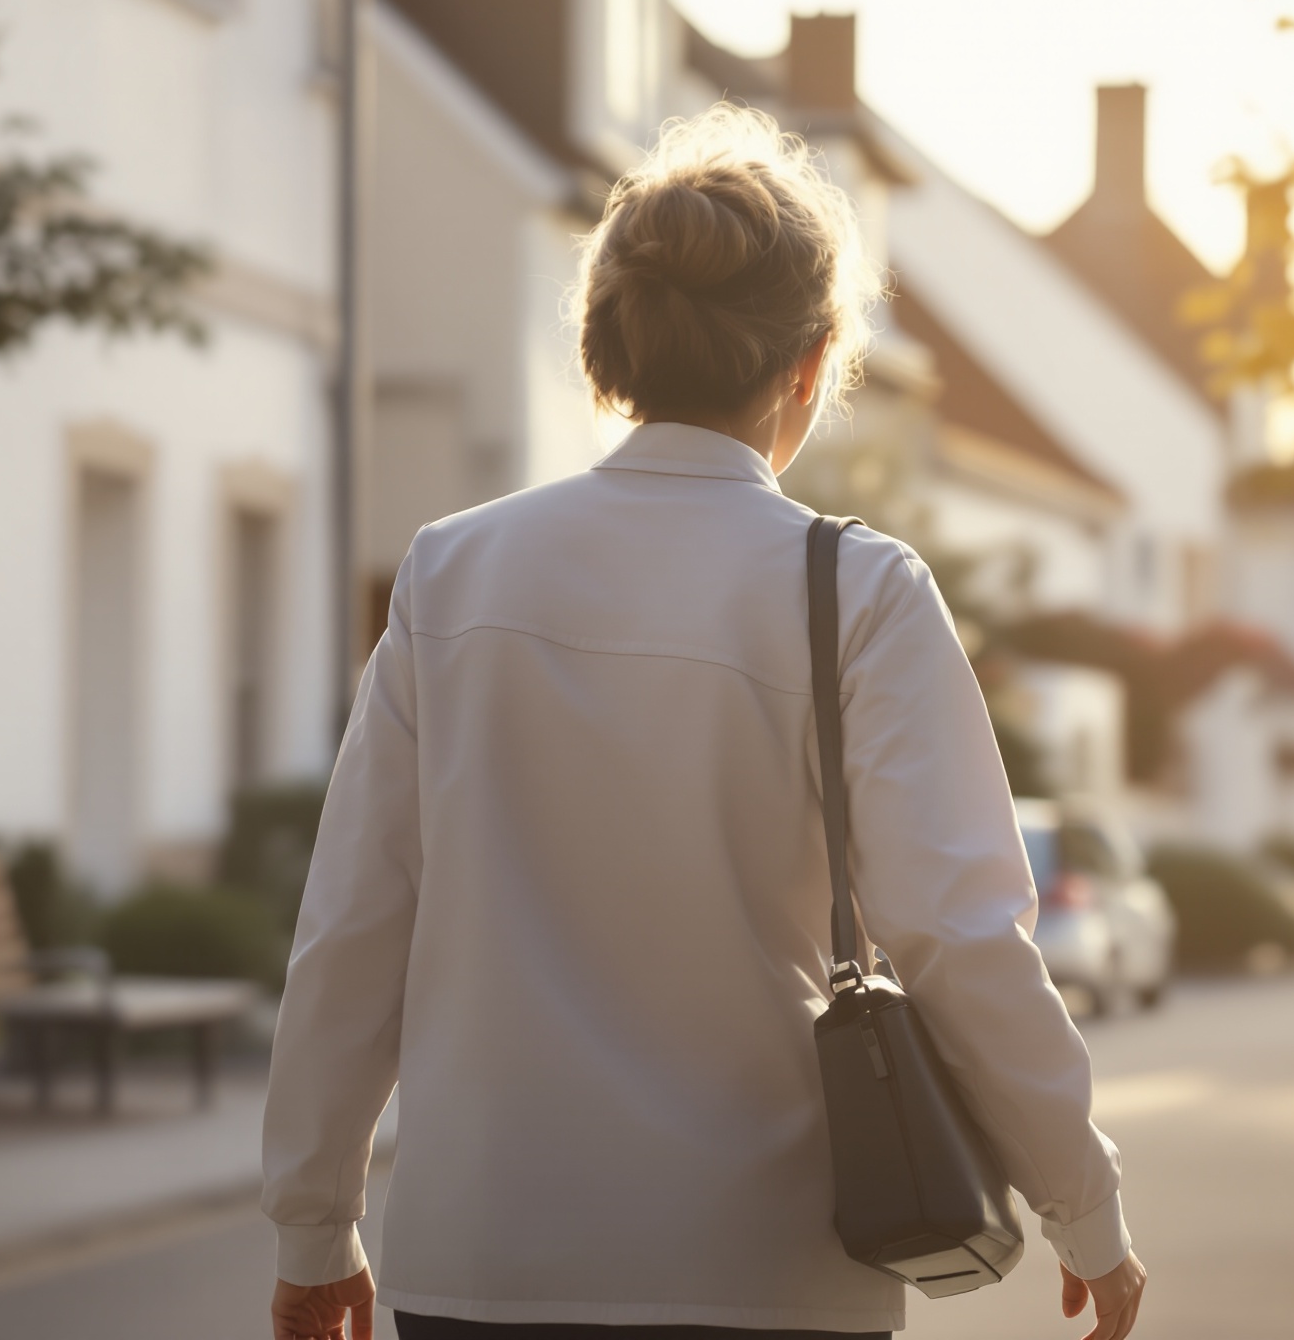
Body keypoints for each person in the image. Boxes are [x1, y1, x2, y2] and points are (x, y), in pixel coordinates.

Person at [263, 105, 1147, 1340]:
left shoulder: (451, 572)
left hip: (482, 1260)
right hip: (766, 1269)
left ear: (607, 341)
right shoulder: (860, 593)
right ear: (810, 362)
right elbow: (958, 933)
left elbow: (356, 923)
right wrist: (1083, 1207)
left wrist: (314, 1224)